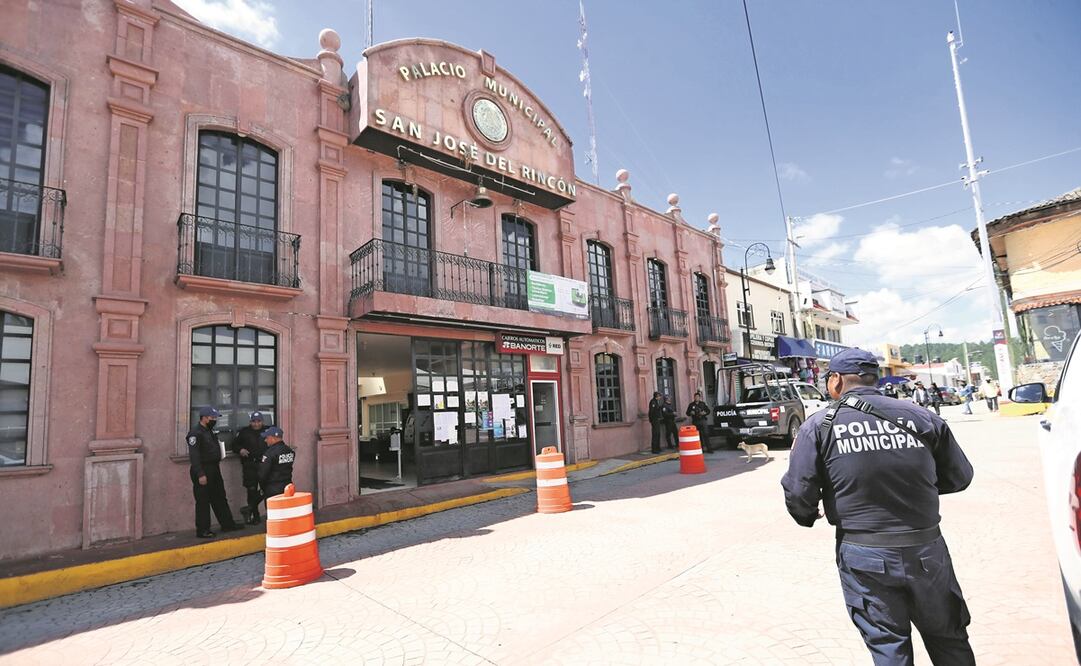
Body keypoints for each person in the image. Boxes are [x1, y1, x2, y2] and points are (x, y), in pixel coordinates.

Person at [781, 348, 975, 665]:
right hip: (926, 549)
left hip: (863, 554)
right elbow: (960, 476)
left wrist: (808, 515)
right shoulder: (921, 416)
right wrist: (915, 491)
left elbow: (798, 490)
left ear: (836, 381)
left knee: (889, 647)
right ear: (877, 379)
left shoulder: (820, 426)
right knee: (949, 639)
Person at [187, 406, 242, 538]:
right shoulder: (195, 433)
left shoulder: (209, 431)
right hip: (203, 469)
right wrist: (200, 474)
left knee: (219, 497)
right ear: (204, 418)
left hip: (214, 468)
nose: (215, 420)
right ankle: (203, 530)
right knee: (203, 501)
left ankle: (228, 524)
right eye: (212, 417)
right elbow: (194, 456)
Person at [232, 411, 268, 525]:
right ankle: (255, 516)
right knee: (251, 491)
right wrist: (240, 450)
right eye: (254, 421)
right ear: (250, 422)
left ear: (262, 422)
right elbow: (234, 445)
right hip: (249, 465)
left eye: (258, 421)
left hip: (264, 465)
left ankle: (267, 514)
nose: (256, 424)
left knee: (266, 490)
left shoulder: (268, 431)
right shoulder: (244, 432)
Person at [259, 426, 295, 499]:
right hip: (287, 488)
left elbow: (262, 474)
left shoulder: (270, 453)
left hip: (273, 490)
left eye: (267, 438)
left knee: (273, 510)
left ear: (273, 438)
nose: (265, 440)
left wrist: (263, 488)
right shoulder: (290, 451)